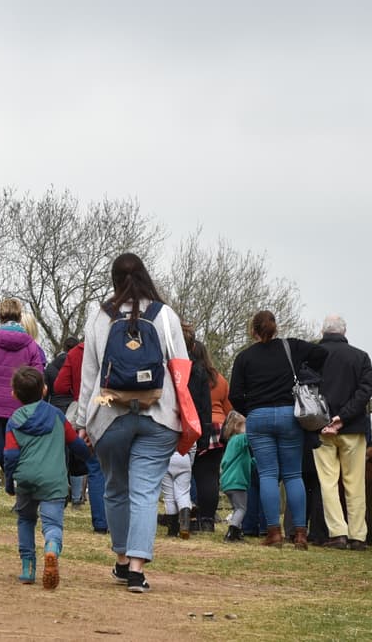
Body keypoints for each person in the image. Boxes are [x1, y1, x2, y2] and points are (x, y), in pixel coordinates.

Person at [75, 253, 186, 593]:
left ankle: (122, 561)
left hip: (110, 414)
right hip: (159, 415)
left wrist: (83, 420)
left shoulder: (99, 317)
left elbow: (90, 374)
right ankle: (137, 569)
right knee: (145, 491)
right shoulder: (164, 315)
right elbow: (181, 367)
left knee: (115, 486)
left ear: (113, 280)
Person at [228, 310, 327, 549]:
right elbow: (322, 353)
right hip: (287, 414)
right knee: (293, 475)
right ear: (276, 328)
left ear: (253, 331)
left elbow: (234, 395)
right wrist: (303, 372)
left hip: (258, 417)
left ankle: (273, 533)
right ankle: (301, 534)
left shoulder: (244, 358)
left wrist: (251, 409)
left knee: (268, 475)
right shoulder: (291, 347)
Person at [3, 366, 92, 589]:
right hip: (54, 480)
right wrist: (91, 457)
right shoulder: (57, 416)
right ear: (44, 390)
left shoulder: (14, 421)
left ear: (14, 393)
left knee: (25, 519)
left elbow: (10, 455)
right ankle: (51, 548)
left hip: (26, 478)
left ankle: (27, 568)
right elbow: (75, 443)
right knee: (52, 524)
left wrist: (9, 481)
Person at [0, 298, 46, 514]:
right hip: (18, 406)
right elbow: (38, 377)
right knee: (18, 452)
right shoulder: (31, 345)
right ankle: (22, 497)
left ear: (0, 315)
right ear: (19, 316)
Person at [314, 314, 372, 551]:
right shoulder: (360, 357)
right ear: (344, 331)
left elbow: (306, 390)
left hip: (321, 428)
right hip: (352, 428)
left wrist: (326, 418)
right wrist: (343, 417)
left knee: (328, 482)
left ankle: (337, 533)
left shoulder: (312, 356)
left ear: (323, 331)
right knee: (354, 483)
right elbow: (365, 390)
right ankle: (358, 535)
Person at [54, 340, 108, 532]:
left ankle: (101, 523)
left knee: (95, 468)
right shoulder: (117, 344)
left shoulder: (76, 353)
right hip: (116, 408)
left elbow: (60, 385)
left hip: (89, 411)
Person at [45, 336, 84, 506]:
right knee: (78, 453)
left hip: (57, 410)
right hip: (77, 410)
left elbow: (47, 393)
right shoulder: (82, 364)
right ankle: (77, 497)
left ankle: (60, 490)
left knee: (60, 454)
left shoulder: (52, 368)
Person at [186, 339, 219, 533]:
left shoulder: (187, 374)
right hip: (216, 428)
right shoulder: (218, 379)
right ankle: (208, 519)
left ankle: (190, 516)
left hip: (195, 424)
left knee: (186, 475)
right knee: (209, 477)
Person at [219, 410, 253, 542]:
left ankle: (237, 532)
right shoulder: (240, 439)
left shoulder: (232, 442)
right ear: (238, 426)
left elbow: (247, 462)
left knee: (236, 508)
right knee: (241, 508)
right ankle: (232, 533)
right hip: (237, 481)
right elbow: (251, 436)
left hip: (228, 482)